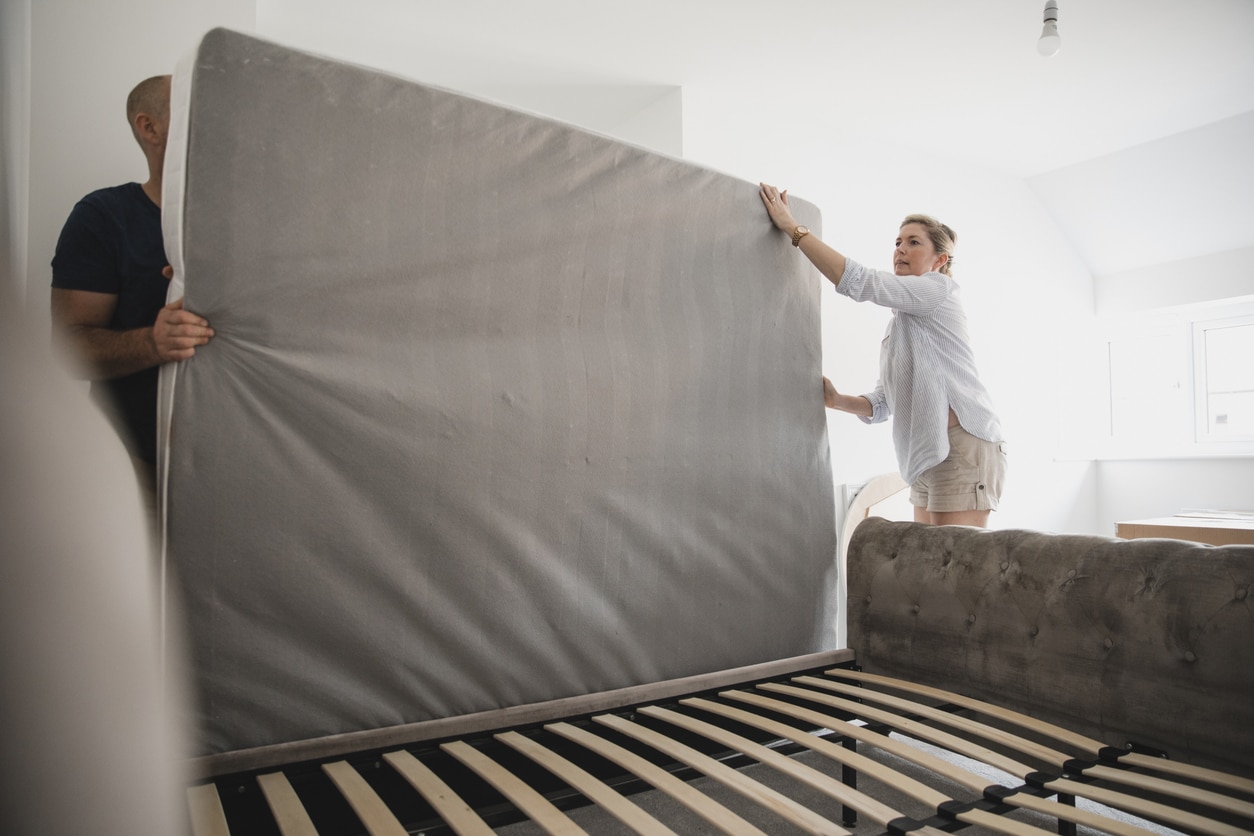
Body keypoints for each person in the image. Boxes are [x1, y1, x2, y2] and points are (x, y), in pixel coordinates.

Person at [759, 182, 1007, 528]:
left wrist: (793, 229)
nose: (900, 250)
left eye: (913, 242)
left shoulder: (939, 290)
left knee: (956, 569)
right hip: (926, 455)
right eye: (897, 242)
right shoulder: (899, 326)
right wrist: (836, 400)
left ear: (940, 259)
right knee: (928, 565)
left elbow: (860, 282)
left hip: (962, 449)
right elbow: (882, 404)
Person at [50, 75, 214, 497]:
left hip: (232, 474)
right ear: (149, 127)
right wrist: (153, 343)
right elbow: (70, 350)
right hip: (131, 474)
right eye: (194, 104)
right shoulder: (103, 217)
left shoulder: (247, 223)